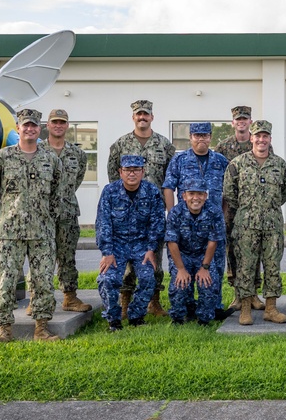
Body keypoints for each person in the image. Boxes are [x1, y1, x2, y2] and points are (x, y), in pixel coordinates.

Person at [0, 108, 63, 343]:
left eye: (34, 125)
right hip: (9, 232)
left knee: (43, 281)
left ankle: (41, 329)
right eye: (25, 125)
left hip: (41, 233)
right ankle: (4, 329)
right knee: (5, 282)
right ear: (18, 128)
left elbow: (57, 196)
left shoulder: (51, 160)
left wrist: (49, 221)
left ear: (39, 129)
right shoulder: (1, 158)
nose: (30, 129)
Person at [106, 100, 176, 318]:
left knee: (153, 254)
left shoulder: (165, 145)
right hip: (126, 212)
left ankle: (153, 302)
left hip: (154, 211)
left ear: (152, 117)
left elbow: (170, 178)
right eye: (139, 114)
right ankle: (125, 302)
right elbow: (113, 175)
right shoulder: (120, 144)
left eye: (146, 114)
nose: (142, 117)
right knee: (126, 259)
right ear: (133, 117)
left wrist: (169, 209)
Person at [222, 120, 286, 326]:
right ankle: (245, 308)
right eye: (257, 136)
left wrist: (266, 207)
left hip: (272, 225)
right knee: (245, 267)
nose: (261, 140)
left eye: (265, 136)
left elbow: (284, 193)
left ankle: (270, 308)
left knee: (272, 267)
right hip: (245, 225)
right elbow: (229, 194)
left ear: (270, 139)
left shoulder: (281, 166)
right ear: (251, 138)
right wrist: (250, 209)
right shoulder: (237, 164)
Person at [26, 108, 91, 315]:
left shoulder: (78, 154)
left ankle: (69, 297)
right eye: (54, 121)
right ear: (47, 125)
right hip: (41, 214)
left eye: (62, 122)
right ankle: (35, 299)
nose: (58, 125)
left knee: (67, 256)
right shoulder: (37, 150)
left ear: (67, 126)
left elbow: (76, 181)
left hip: (67, 212)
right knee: (39, 256)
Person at [162, 121, 230, 320]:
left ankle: (213, 306)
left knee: (214, 269)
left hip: (212, 224)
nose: (201, 139)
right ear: (190, 137)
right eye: (196, 135)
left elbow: (227, 192)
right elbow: (168, 186)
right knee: (182, 270)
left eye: (205, 135)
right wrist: (172, 212)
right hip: (184, 225)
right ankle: (187, 307)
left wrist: (221, 214)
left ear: (210, 137)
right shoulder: (179, 160)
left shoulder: (220, 161)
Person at [95, 154, 165, 332]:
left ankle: (136, 316)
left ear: (143, 172)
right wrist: (107, 252)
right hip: (116, 245)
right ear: (120, 172)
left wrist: (151, 249)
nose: (131, 174)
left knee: (149, 278)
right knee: (106, 279)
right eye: (127, 170)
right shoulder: (109, 191)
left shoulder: (152, 191)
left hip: (142, 244)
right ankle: (114, 319)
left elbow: (157, 222)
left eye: (136, 170)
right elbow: (103, 223)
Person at [214, 105, 264, 309]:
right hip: (231, 207)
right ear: (233, 123)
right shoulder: (223, 147)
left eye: (245, 119)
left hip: (254, 207)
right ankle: (238, 294)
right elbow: (218, 178)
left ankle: (253, 294)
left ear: (250, 122)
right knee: (233, 250)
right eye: (238, 119)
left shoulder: (259, 144)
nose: (242, 122)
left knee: (256, 249)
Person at [166, 178, 226, 326]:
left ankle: (204, 319)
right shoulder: (175, 213)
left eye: (200, 194)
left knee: (208, 283)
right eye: (191, 194)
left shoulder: (214, 212)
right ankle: (179, 317)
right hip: (182, 255)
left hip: (203, 255)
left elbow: (213, 242)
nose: (196, 198)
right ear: (184, 196)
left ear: (205, 196)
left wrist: (204, 268)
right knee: (179, 284)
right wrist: (180, 269)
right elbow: (171, 242)